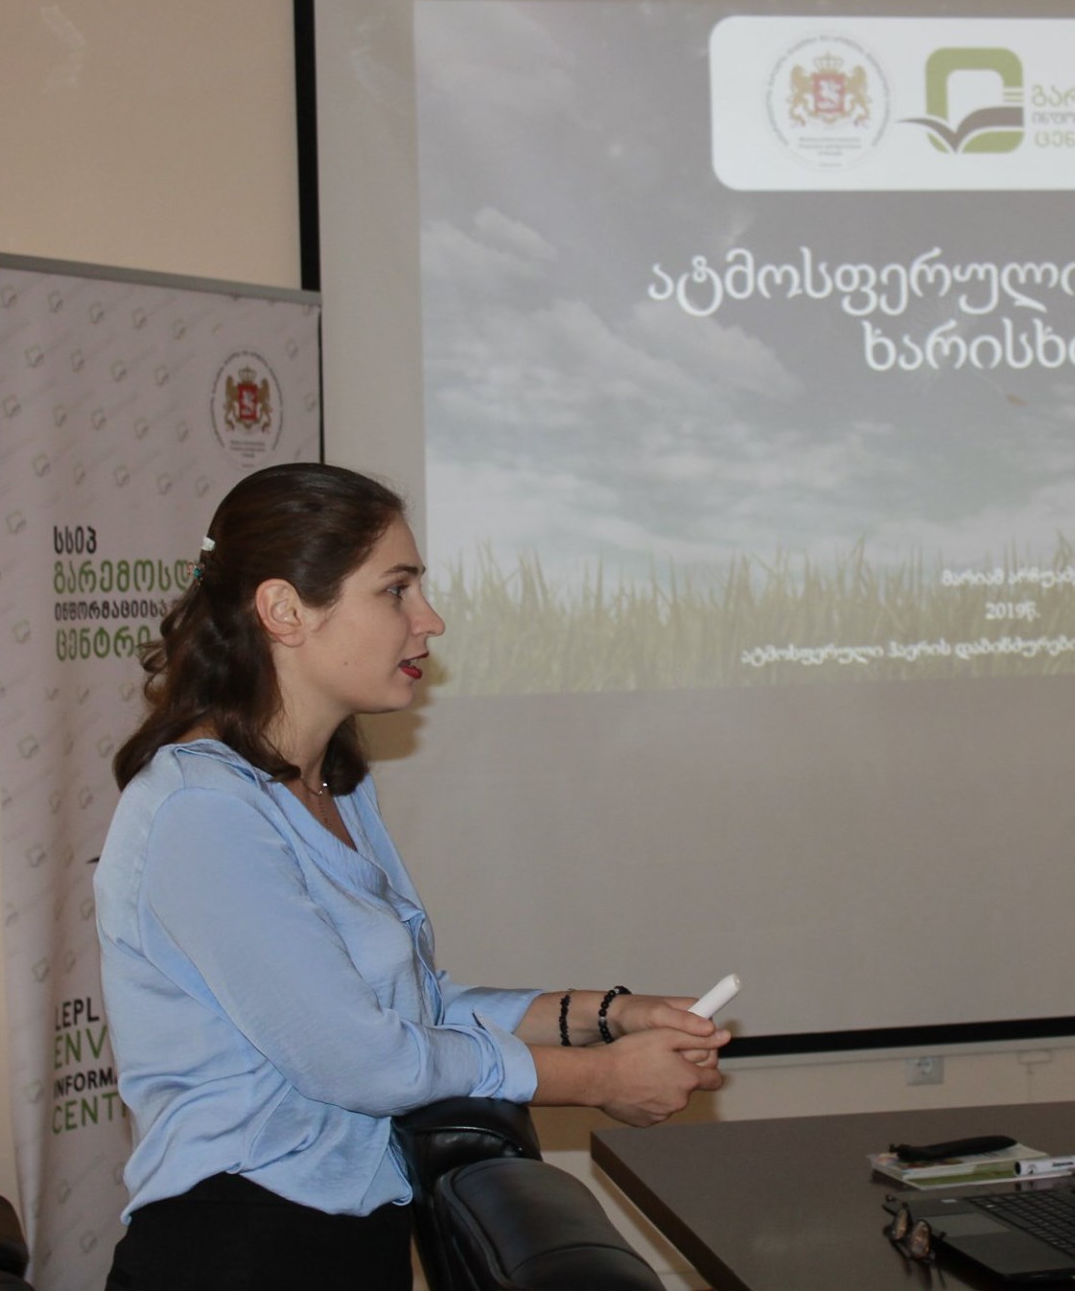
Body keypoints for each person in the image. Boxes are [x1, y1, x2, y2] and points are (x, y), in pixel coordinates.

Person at [94, 463, 726, 1290]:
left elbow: (410, 1008)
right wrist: (599, 1078)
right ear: (284, 610)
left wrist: (605, 1015)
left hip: (350, 1239)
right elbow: (364, 1059)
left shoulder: (336, 788)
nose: (429, 619)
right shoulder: (202, 810)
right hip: (238, 1247)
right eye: (396, 590)